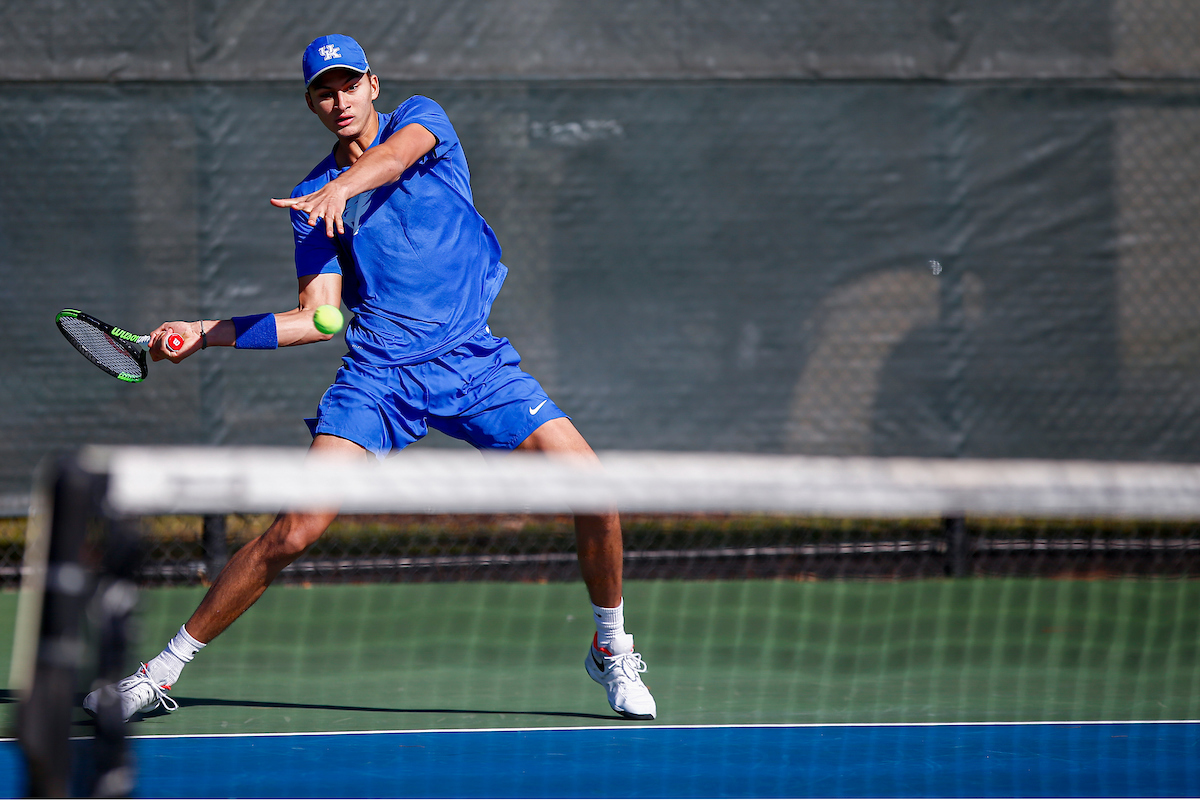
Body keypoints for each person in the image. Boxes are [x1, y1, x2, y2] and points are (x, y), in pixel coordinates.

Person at [83, 34, 655, 722]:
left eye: (350, 84)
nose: (340, 100)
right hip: (379, 378)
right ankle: (159, 671)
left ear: (373, 85)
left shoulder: (423, 122)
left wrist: (341, 190)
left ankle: (611, 646)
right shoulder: (310, 201)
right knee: (294, 531)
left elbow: (392, 158)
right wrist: (206, 332)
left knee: (595, 491)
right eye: (325, 92)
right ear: (312, 105)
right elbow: (317, 318)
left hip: (475, 366)